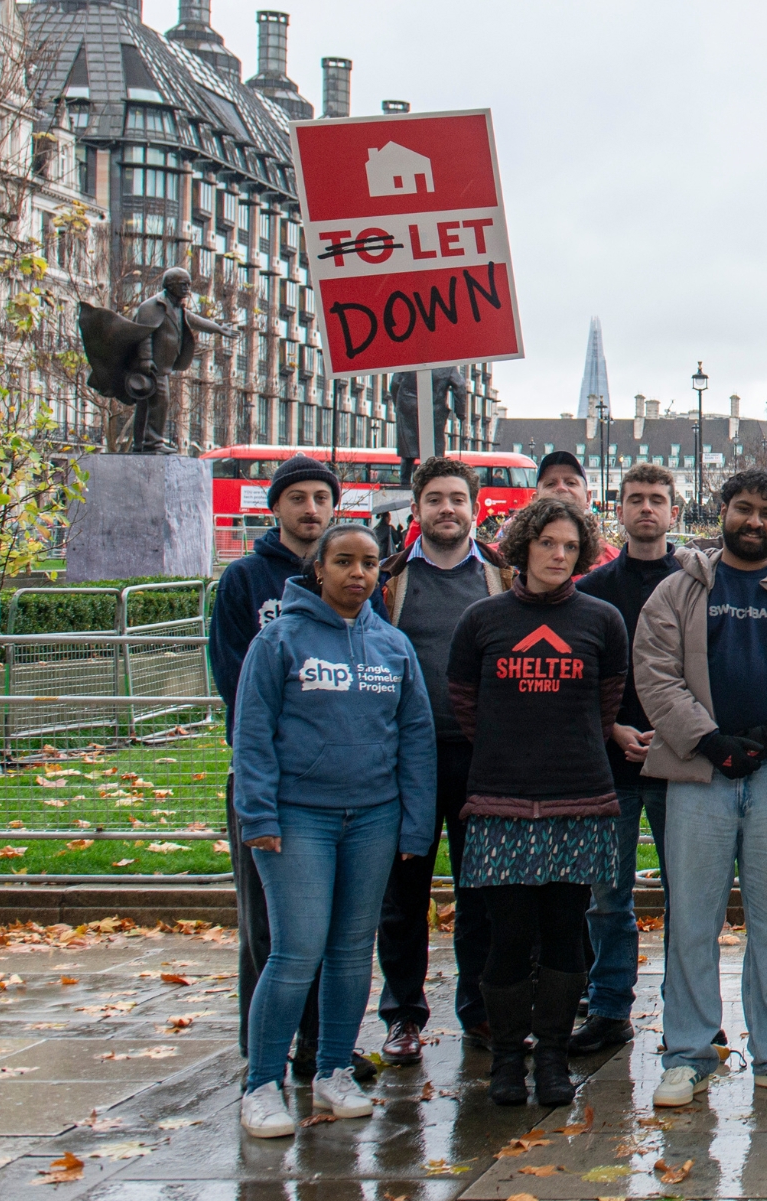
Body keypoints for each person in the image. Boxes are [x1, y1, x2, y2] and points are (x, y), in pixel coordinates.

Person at [636, 468, 767, 1105]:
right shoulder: (677, 591)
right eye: (744, 509)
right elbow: (655, 671)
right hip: (699, 775)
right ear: (724, 511)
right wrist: (707, 740)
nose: (755, 522)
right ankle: (688, 1051)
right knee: (692, 917)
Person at [231, 521, 433, 1138]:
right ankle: (262, 1083)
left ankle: (332, 1071)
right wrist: (259, 814)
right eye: (343, 562)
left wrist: (415, 826)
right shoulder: (279, 641)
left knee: (351, 953)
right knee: (296, 951)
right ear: (318, 570)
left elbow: (416, 740)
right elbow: (253, 734)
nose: (357, 574)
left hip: (373, 817)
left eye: (369, 564)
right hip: (298, 820)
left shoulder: (394, 648)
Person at [448, 497, 631, 1108]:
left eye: (571, 547)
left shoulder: (601, 620)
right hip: (501, 802)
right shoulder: (482, 621)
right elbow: (467, 706)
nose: (559, 555)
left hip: (578, 799)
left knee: (562, 935)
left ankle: (551, 1055)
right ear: (523, 545)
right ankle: (506, 1057)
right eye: (548, 543)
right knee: (507, 937)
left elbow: (604, 707)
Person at [373, 456, 507, 1065]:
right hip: (409, 761)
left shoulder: (501, 576)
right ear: (418, 508)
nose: (447, 509)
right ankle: (403, 1015)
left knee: (482, 893)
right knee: (404, 893)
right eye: (434, 499)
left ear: (474, 507)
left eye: (457, 498)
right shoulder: (390, 580)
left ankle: (480, 1009)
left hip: (483, 757)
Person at [211, 452, 340, 1082]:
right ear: (277, 508)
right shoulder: (244, 581)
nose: (310, 509)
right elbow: (234, 680)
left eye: (320, 497)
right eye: (298, 498)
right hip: (272, 778)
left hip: (334, 784)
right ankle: (262, 1048)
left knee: (327, 928)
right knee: (267, 928)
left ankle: (320, 1046)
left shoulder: (347, 576)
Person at [573, 463, 687, 1057]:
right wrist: (611, 727)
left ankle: (685, 1012)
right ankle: (610, 1006)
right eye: (635, 499)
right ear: (618, 510)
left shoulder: (697, 583)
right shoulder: (593, 590)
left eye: (657, 500)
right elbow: (582, 680)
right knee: (606, 898)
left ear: (675, 511)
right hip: (610, 765)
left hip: (678, 762)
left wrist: (675, 733)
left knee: (685, 896)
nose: (647, 509)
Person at [536, 451, 619, 565]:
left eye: (570, 483)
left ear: (588, 498)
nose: (561, 488)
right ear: (535, 499)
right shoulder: (513, 558)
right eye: (550, 484)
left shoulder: (614, 562)